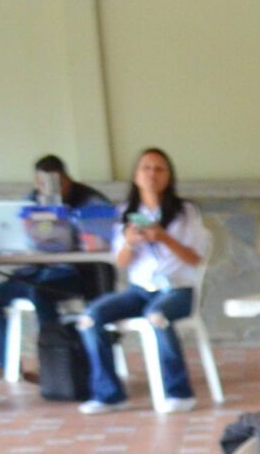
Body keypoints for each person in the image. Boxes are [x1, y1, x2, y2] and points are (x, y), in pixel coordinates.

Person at [81, 147, 210, 414]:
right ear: (137, 176)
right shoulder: (125, 213)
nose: (152, 174)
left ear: (169, 176)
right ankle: (109, 394)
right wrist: (129, 242)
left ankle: (179, 392)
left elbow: (194, 258)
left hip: (177, 290)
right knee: (90, 317)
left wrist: (164, 238)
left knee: (156, 316)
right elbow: (121, 262)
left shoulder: (186, 212)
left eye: (159, 169)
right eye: (146, 168)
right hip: (138, 290)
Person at [0, 153, 109, 379]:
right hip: (34, 271)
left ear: (66, 179)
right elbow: (15, 233)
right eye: (40, 183)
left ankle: (51, 362)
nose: (46, 189)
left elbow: (103, 239)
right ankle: (3, 361)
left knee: (41, 292)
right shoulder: (30, 201)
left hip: (77, 273)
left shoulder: (91, 201)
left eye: (54, 183)